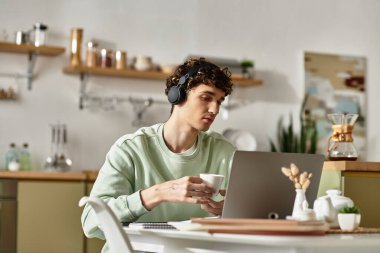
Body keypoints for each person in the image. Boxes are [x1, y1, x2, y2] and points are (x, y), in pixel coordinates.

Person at [81, 57, 236, 251]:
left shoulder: (225, 151)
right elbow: (90, 222)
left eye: (219, 101)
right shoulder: (130, 149)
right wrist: (155, 194)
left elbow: (252, 219)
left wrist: (230, 212)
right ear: (177, 95)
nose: (214, 109)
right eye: (206, 97)